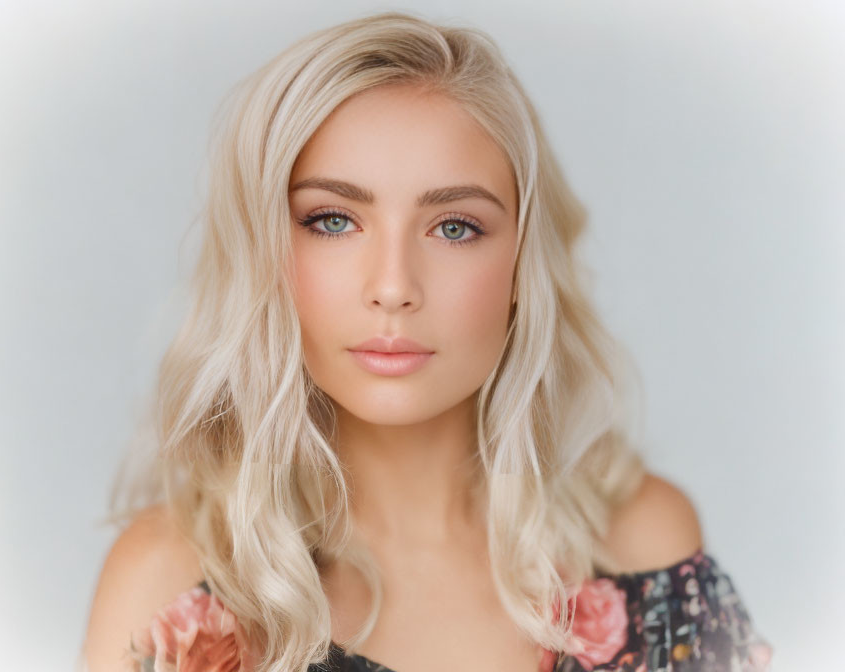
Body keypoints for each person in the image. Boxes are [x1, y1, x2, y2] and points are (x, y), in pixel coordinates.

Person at [81, 10, 773, 672]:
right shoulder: (170, 590)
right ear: (263, 255)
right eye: (331, 220)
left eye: (454, 228)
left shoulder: (644, 549)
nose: (392, 286)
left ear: (520, 269)